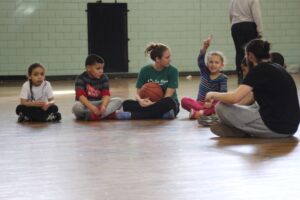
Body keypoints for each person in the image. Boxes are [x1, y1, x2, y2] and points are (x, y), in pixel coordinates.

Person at [205, 39, 300, 138]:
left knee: (221, 107)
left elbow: (234, 98)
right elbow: (250, 99)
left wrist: (212, 94)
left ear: (250, 56)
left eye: (246, 55)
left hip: (276, 128)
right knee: (254, 106)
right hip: (291, 128)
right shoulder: (277, 67)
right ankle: (243, 129)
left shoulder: (258, 70)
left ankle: (241, 130)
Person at [121, 42, 180, 119]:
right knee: (126, 104)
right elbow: (138, 94)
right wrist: (140, 101)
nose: (170, 59)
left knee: (169, 102)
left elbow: (167, 96)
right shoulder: (144, 70)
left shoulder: (173, 71)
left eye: (170, 57)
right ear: (157, 59)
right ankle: (163, 115)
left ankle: (133, 115)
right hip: (150, 105)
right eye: (167, 57)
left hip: (165, 104)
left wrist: (152, 104)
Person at [181, 36, 228, 120]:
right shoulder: (204, 72)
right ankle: (204, 112)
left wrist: (211, 103)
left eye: (216, 62)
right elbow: (200, 60)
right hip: (199, 103)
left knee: (220, 104)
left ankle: (200, 113)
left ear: (222, 65)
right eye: (211, 62)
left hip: (213, 104)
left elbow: (223, 93)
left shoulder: (223, 78)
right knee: (184, 101)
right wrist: (204, 48)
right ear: (207, 63)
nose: (213, 64)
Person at [72, 54, 123, 121]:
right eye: (98, 68)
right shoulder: (80, 78)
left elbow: (106, 95)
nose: (101, 71)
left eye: (102, 68)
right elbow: (80, 96)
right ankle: (105, 114)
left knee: (118, 101)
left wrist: (103, 106)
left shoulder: (104, 78)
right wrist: (92, 107)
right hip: (85, 104)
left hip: (99, 103)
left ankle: (92, 116)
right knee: (76, 107)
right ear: (88, 68)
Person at [229, 0, 263, 84]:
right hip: (249, 25)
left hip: (236, 26)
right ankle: (252, 75)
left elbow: (230, 14)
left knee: (239, 51)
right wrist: (260, 31)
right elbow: (257, 14)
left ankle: (240, 76)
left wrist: (234, 26)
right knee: (251, 52)